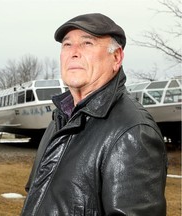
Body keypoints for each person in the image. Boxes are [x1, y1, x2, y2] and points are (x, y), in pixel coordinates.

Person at [21, 13, 167, 216]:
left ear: (116, 57)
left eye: (87, 43)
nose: (74, 52)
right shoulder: (60, 118)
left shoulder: (133, 132)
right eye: (67, 45)